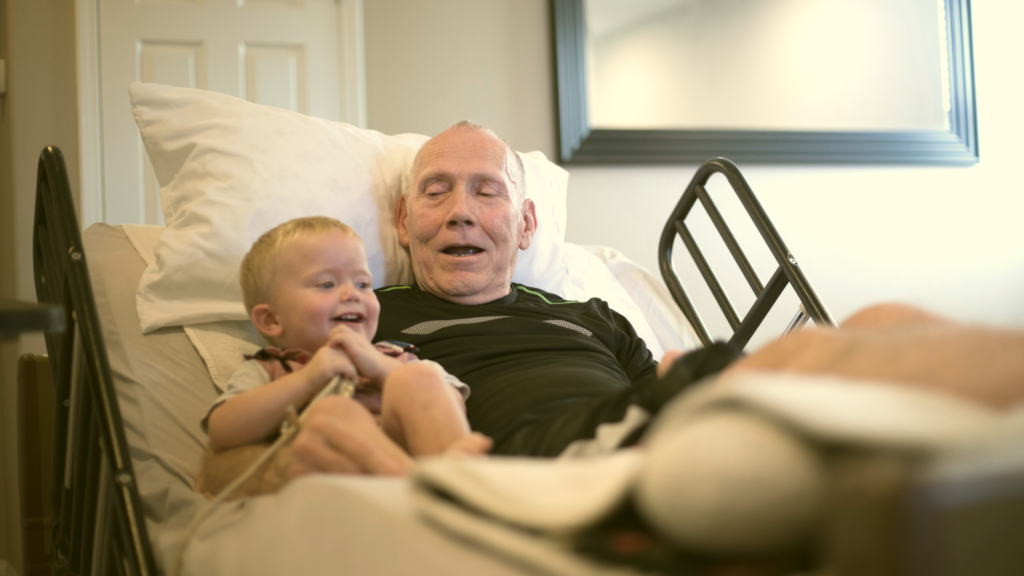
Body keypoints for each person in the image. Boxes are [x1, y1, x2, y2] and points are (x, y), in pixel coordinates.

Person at [206, 122, 1024, 489]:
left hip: (649, 419)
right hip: (545, 455)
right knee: (836, 351)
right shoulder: (365, 316)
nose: (460, 211)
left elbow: (659, 378)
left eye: (487, 191)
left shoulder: (589, 313)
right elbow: (229, 453)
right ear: (403, 221)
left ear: (524, 223)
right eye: (436, 192)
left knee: (880, 323)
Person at [198, 217, 490, 495]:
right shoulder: (273, 369)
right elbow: (221, 431)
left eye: (363, 284)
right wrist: (308, 380)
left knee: (421, 378)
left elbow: (452, 403)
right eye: (326, 284)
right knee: (335, 412)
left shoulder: (396, 357)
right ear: (272, 320)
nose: (352, 294)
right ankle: (425, 487)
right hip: (338, 493)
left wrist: (382, 369)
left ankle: (453, 480)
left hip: (415, 468)